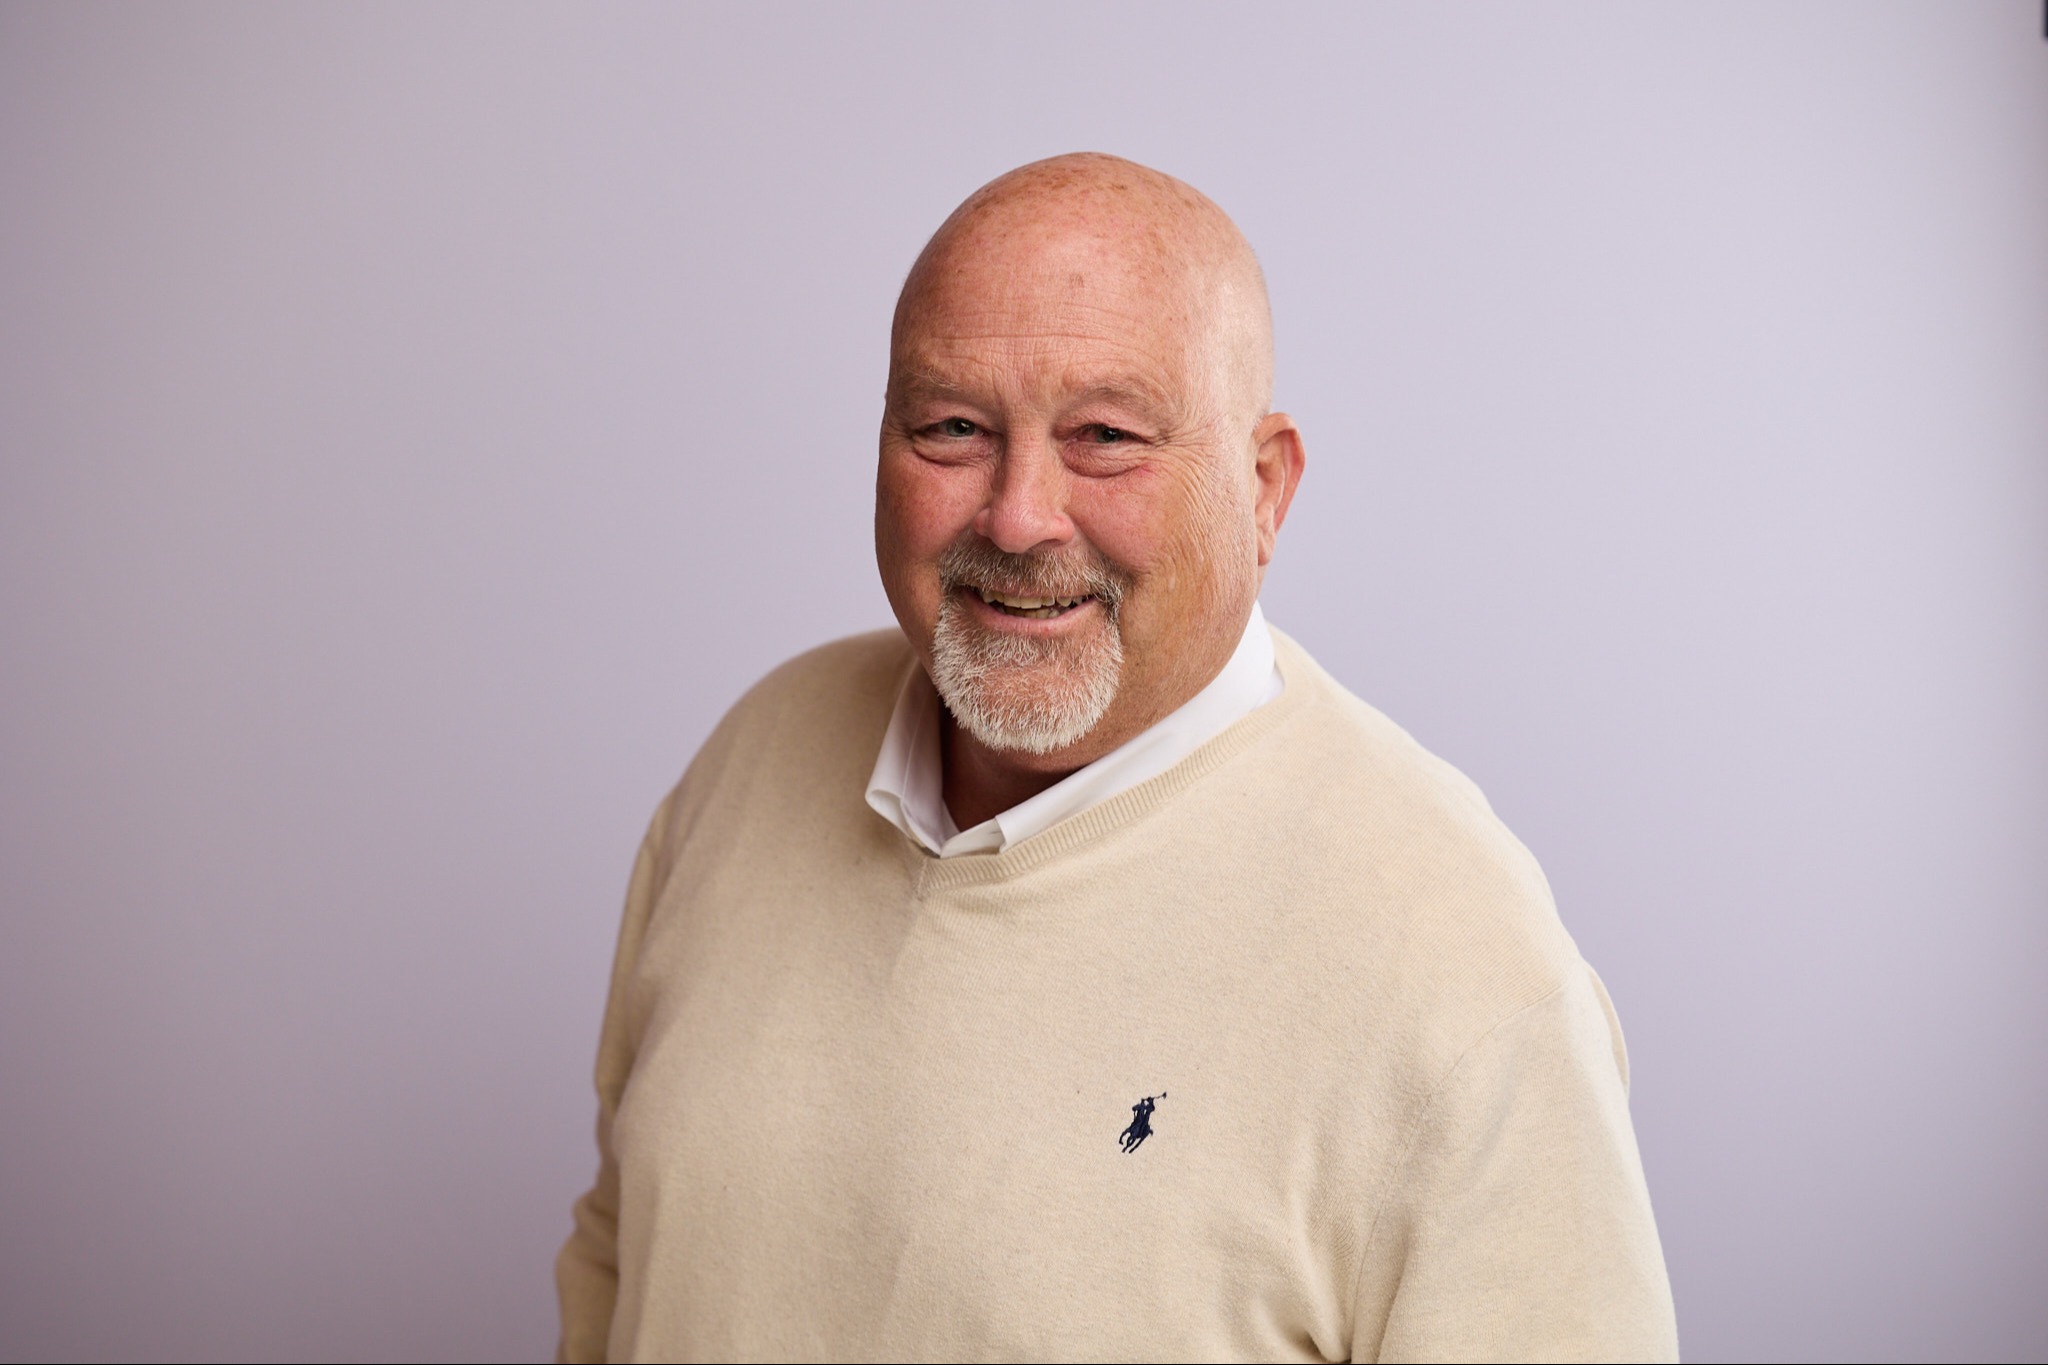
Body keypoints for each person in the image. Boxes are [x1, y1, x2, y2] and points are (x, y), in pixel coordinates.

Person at [555, 152, 1678, 1363]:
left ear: (1262, 488)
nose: (1018, 514)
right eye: (949, 428)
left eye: (1103, 435)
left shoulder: (1462, 977)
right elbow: (619, 1264)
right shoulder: (753, 760)